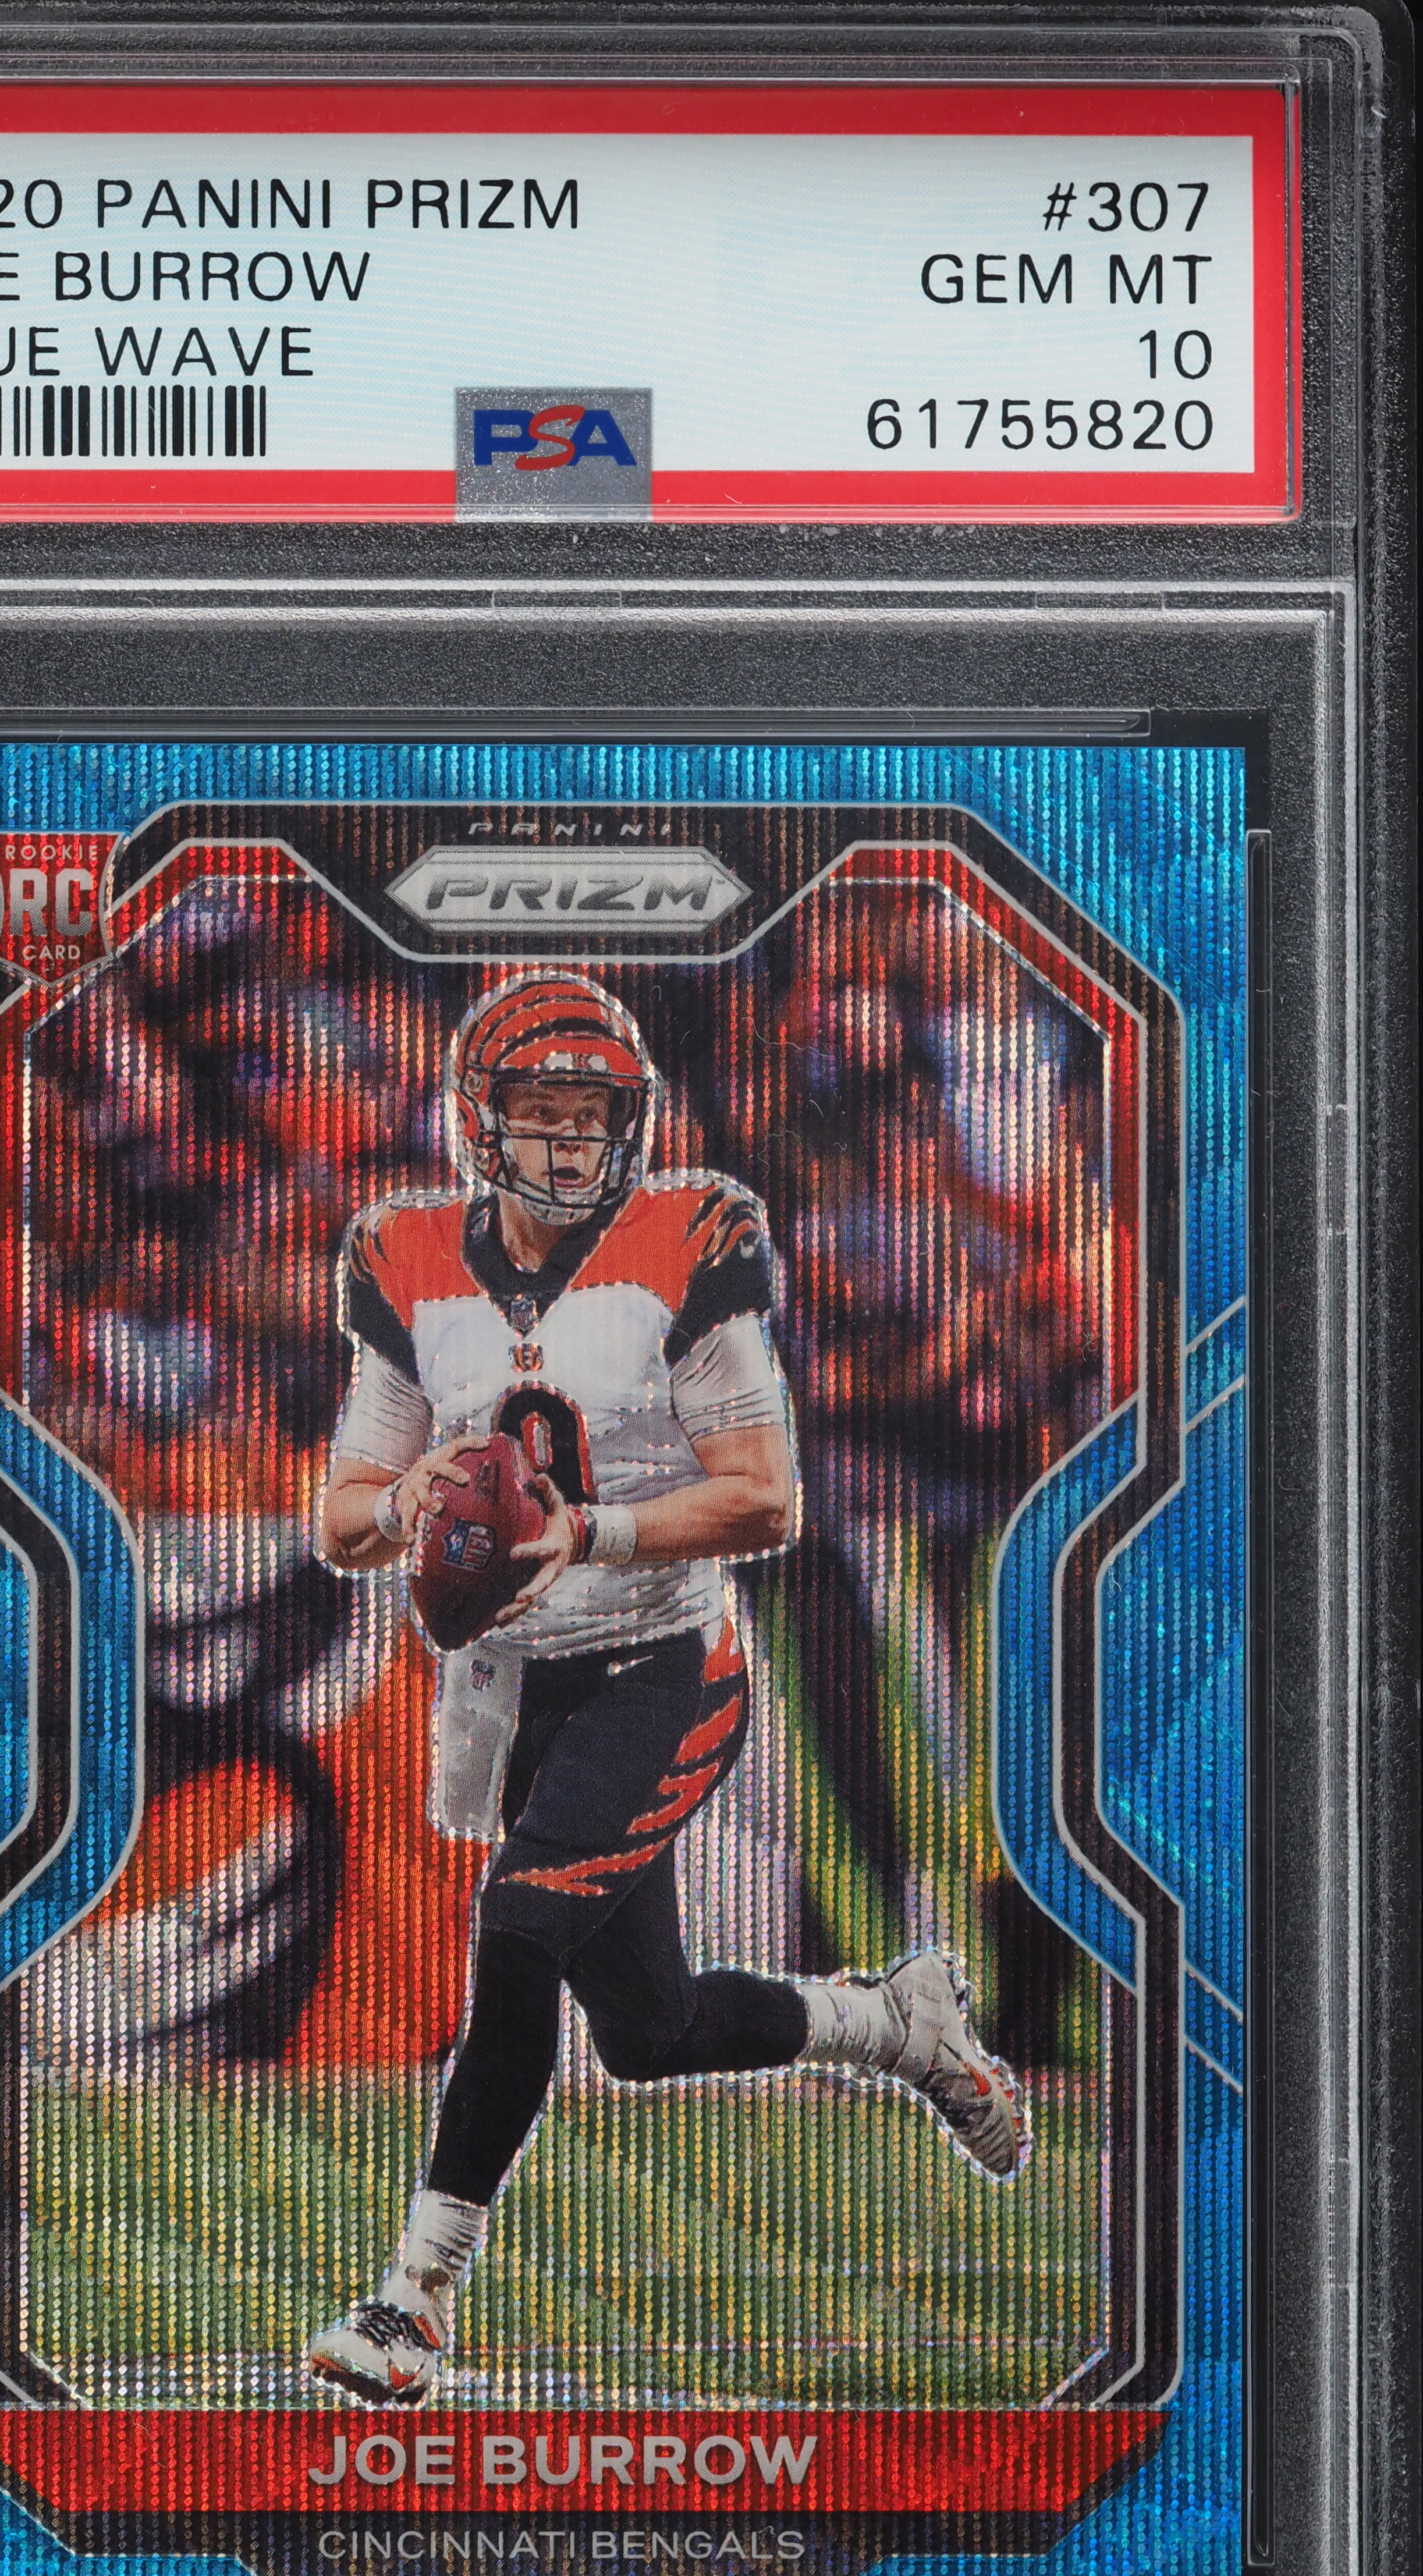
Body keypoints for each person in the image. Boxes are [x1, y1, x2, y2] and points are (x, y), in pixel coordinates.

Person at [310, 972, 1029, 2406]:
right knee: (647, 2034)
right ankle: (893, 2024)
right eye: (542, 1112)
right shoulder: (404, 1253)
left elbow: (765, 1498)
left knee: (516, 1929)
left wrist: (589, 1532)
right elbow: (339, 1518)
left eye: (594, 1114)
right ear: (476, 1122)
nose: (573, 1140)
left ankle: (412, 2299)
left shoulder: (686, 1237)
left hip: (666, 1666)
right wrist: (410, 1503)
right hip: (523, 1689)